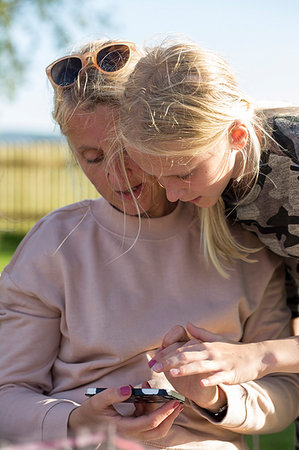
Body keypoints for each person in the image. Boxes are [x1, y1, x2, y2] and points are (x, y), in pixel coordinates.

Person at [0, 38, 299, 450]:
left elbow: (284, 392)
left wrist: (215, 397)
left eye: (129, 151)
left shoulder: (245, 243)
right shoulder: (55, 245)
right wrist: (75, 421)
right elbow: (7, 394)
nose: (118, 176)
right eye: (92, 157)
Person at [118, 38, 299, 374]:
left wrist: (254, 356)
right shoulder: (215, 184)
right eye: (159, 178)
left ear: (237, 136)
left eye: (184, 173)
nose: (172, 194)